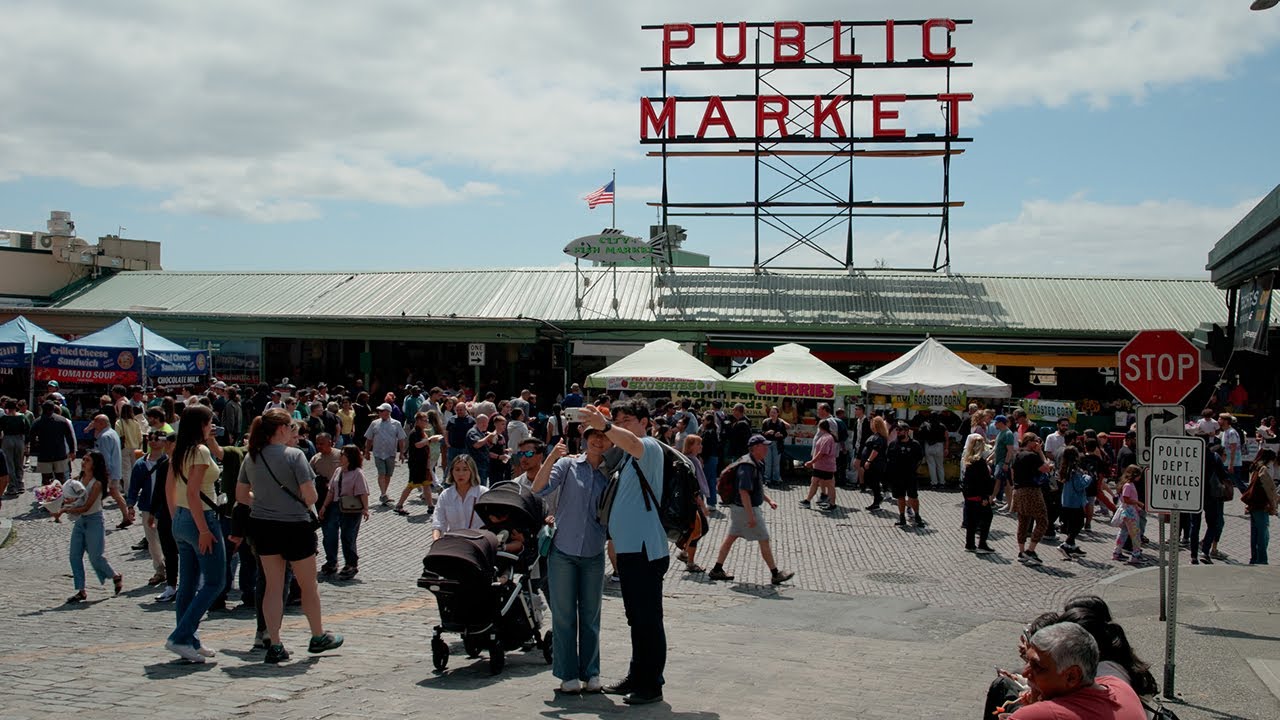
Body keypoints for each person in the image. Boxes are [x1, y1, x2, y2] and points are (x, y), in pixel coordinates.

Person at [236, 408, 343, 664]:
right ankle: (317, 635)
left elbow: (241, 497)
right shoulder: (295, 455)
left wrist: (263, 499)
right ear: (282, 429)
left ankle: (274, 642)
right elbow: (310, 496)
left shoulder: (251, 457)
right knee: (308, 586)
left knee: (273, 587)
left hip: (263, 525)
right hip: (295, 526)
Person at [578, 401, 668, 706]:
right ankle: (637, 674)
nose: (621, 425)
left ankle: (651, 684)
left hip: (646, 549)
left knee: (648, 619)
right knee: (636, 618)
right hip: (630, 551)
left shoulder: (649, 447)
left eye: (627, 420)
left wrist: (605, 425)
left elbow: (628, 440)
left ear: (645, 422)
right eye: (618, 420)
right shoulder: (628, 458)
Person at [532, 429, 612, 695]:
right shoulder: (567, 465)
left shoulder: (611, 474)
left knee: (590, 617)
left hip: (593, 553)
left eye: (603, 436)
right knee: (564, 616)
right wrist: (551, 457)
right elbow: (538, 488)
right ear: (585, 438)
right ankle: (567, 674)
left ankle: (591, 672)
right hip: (563, 551)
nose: (598, 441)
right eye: (593, 436)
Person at [163, 404, 225, 663]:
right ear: (201, 424)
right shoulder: (199, 451)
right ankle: (181, 636)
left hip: (180, 518)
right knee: (215, 582)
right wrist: (202, 529)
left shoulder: (179, 450)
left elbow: (169, 488)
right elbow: (193, 492)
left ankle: (189, 639)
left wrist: (177, 519)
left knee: (188, 584)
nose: (212, 426)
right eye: (209, 422)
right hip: (201, 519)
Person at [1008, 622, 1145, 719]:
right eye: (1028, 662)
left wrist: (1034, 702)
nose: (1025, 672)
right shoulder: (1119, 686)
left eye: (1037, 667)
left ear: (1072, 676)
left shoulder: (1039, 715)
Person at [709, 434, 795, 585]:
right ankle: (775, 574)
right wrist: (751, 516)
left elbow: (756, 488)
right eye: (764, 446)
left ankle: (717, 569)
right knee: (764, 539)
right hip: (745, 509)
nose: (767, 448)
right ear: (755, 448)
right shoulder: (748, 466)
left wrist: (769, 500)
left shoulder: (753, 462)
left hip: (740, 508)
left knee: (731, 537)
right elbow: (744, 491)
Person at [60, 450, 123, 604]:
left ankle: (114, 575)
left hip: (94, 520)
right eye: (84, 460)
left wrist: (66, 510)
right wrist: (60, 501)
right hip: (81, 522)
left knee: (96, 556)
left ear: (94, 464)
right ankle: (81, 590)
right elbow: (74, 498)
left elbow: (87, 507)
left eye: (87, 460)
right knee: (74, 556)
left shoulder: (98, 483)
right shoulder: (78, 479)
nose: (83, 462)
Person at [318, 445, 370, 579]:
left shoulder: (357, 473)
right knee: (329, 534)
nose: (340, 457)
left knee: (348, 536)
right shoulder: (338, 471)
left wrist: (365, 509)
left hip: (351, 509)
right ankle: (331, 562)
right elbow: (331, 491)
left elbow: (363, 492)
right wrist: (324, 506)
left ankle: (351, 564)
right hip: (336, 506)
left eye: (343, 454)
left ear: (350, 457)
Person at [127, 431, 170, 586]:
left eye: (156, 439)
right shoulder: (141, 464)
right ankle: (160, 570)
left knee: (168, 540)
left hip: (167, 507)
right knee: (152, 541)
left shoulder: (169, 461)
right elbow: (133, 487)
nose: (153, 441)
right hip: (147, 507)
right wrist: (130, 504)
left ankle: (172, 569)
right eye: (150, 439)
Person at [1011, 433, 1053, 566]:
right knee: (1042, 520)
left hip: (1018, 490)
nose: (1038, 444)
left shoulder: (1017, 455)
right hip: (1032, 490)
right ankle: (1031, 550)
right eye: (1037, 441)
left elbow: (1013, 473)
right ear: (1030, 442)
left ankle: (1021, 551)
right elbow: (1046, 468)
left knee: (1023, 521)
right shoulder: (1032, 456)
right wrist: (1040, 452)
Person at [676, 434, 712, 573]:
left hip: (690, 500)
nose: (701, 446)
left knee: (697, 529)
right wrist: (702, 505)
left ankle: (686, 554)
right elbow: (694, 486)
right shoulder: (692, 462)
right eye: (699, 444)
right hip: (693, 501)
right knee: (700, 529)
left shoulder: (688, 459)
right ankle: (687, 557)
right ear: (691, 446)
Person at [363, 402, 406, 506]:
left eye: (382, 411)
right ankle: (383, 494)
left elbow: (401, 439)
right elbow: (369, 438)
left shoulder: (397, 424)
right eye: (379, 411)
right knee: (381, 473)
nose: (380, 412)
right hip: (378, 453)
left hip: (390, 453)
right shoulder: (374, 423)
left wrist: (402, 453)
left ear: (388, 412)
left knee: (388, 475)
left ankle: (384, 494)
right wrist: (367, 451)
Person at [432, 454, 485, 539]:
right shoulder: (446, 495)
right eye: (457, 470)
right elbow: (438, 523)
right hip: (455, 544)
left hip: (478, 542)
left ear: (472, 472)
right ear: (452, 472)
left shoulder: (483, 493)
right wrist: (436, 541)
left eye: (465, 470)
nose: (461, 474)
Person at [886, 421, 926, 528]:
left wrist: (915, 469)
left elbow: (920, 458)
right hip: (897, 476)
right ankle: (902, 517)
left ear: (907, 431)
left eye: (900, 430)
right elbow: (889, 458)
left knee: (913, 496)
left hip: (911, 475)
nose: (898, 432)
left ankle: (917, 515)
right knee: (900, 497)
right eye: (897, 430)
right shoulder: (893, 444)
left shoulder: (915, 444)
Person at [960, 433, 995, 554]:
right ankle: (982, 543)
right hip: (979, 496)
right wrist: (985, 496)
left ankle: (970, 544)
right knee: (986, 518)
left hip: (970, 496)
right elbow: (984, 481)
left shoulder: (968, 460)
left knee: (971, 522)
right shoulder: (979, 463)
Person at [1242, 448, 1277, 565]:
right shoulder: (1264, 470)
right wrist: (1273, 505)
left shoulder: (1254, 468)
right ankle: (1262, 560)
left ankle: (1254, 558)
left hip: (1253, 505)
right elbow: (1269, 490)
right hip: (1261, 506)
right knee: (1263, 535)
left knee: (1255, 534)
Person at [1056, 447, 1091, 560]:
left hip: (1067, 501)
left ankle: (1073, 546)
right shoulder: (1074, 471)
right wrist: (1087, 477)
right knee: (1079, 524)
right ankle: (1066, 545)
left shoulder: (1065, 469)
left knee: (1072, 525)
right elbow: (1079, 485)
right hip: (1075, 502)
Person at [800, 418, 839, 512]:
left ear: (820, 427)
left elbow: (822, 453)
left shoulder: (827, 438)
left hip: (824, 466)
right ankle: (807, 500)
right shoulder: (826, 436)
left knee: (829, 485)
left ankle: (832, 504)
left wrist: (811, 462)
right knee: (814, 482)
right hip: (822, 466)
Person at [1112, 465, 1146, 565]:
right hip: (1130, 513)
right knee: (1135, 534)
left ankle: (1117, 552)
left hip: (1127, 512)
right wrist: (1138, 503)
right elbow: (1126, 498)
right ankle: (1135, 555)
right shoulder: (1128, 485)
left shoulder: (1127, 484)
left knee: (1123, 532)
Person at [1, 399, 30, 497]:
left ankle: (12, 487)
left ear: (7, 408)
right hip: (19, 439)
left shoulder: (4, 418)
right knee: (19, 463)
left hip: (8, 439)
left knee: (9, 463)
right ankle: (20, 485)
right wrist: (26, 444)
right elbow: (28, 430)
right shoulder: (22, 417)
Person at [860, 416, 890, 511]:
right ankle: (877, 498)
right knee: (872, 481)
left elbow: (875, 451)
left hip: (875, 464)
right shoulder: (877, 436)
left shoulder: (879, 437)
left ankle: (877, 499)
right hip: (874, 464)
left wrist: (869, 460)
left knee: (873, 482)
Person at [917, 408, 948, 488]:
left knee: (931, 465)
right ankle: (942, 483)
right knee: (940, 465)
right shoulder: (942, 426)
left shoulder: (925, 424)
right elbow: (946, 437)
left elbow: (919, 434)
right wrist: (946, 448)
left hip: (928, 446)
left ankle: (934, 483)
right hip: (939, 446)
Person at [760, 406, 789, 487]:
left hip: (777, 444)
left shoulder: (781, 423)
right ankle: (767, 479)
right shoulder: (766, 422)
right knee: (768, 462)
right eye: (771, 412)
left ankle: (776, 478)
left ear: (777, 414)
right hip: (768, 443)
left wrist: (780, 435)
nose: (772, 414)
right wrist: (767, 432)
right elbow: (762, 432)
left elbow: (785, 434)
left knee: (776, 463)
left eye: (774, 412)